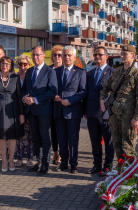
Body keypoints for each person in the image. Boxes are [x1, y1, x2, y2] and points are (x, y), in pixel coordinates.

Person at [100, 45, 138, 161]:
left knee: (128, 147)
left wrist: (137, 117)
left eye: (125, 54)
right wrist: (102, 100)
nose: (121, 56)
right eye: (121, 53)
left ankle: (129, 174)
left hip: (128, 115)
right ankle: (121, 172)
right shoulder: (117, 71)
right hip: (114, 114)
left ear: (133, 56)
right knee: (117, 146)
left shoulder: (137, 74)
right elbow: (106, 88)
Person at [22, 46, 58, 175]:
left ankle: (45, 164)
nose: (35, 57)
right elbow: (24, 88)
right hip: (31, 111)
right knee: (35, 138)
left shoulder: (50, 71)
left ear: (43, 56)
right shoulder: (30, 71)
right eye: (33, 55)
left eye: (37, 55)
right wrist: (24, 97)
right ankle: (38, 162)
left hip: (43, 111)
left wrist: (36, 99)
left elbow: (53, 91)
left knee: (45, 138)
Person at [53, 46, 87, 174]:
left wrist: (70, 100)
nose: (66, 57)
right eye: (64, 55)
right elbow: (51, 88)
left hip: (73, 111)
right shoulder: (55, 71)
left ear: (74, 57)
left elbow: (83, 92)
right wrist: (54, 96)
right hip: (59, 110)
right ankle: (63, 163)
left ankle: (73, 164)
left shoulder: (80, 72)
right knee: (61, 139)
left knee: (73, 139)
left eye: (69, 55)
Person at [84, 47, 115, 176]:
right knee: (94, 142)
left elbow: (114, 94)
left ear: (106, 57)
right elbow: (86, 94)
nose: (97, 56)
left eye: (100, 54)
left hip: (106, 114)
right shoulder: (89, 73)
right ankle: (96, 165)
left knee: (109, 142)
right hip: (91, 114)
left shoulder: (112, 73)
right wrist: (84, 111)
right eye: (95, 54)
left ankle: (107, 166)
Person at [0, 56, 24, 172]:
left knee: (12, 136)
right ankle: (4, 160)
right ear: (0, 65)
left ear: (11, 66)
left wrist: (21, 113)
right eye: (3, 63)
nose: (5, 66)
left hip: (12, 109)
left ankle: (11, 160)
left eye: (7, 64)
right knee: (2, 137)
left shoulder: (15, 78)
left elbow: (19, 96)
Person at [14, 55, 34, 167]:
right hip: (18, 110)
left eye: (25, 64)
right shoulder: (15, 77)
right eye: (20, 64)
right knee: (19, 135)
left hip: (30, 109)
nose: (22, 66)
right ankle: (19, 158)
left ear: (29, 64)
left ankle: (30, 158)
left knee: (30, 135)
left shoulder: (32, 76)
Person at [49, 45, 63, 165]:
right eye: (55, 55)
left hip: (62, 104)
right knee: (53, 130)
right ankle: (55, 152)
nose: (57, 57)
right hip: (49, 105)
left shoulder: (65, 69)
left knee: (62, 131)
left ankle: (63, 154)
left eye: (60, 55)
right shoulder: (48, 69)